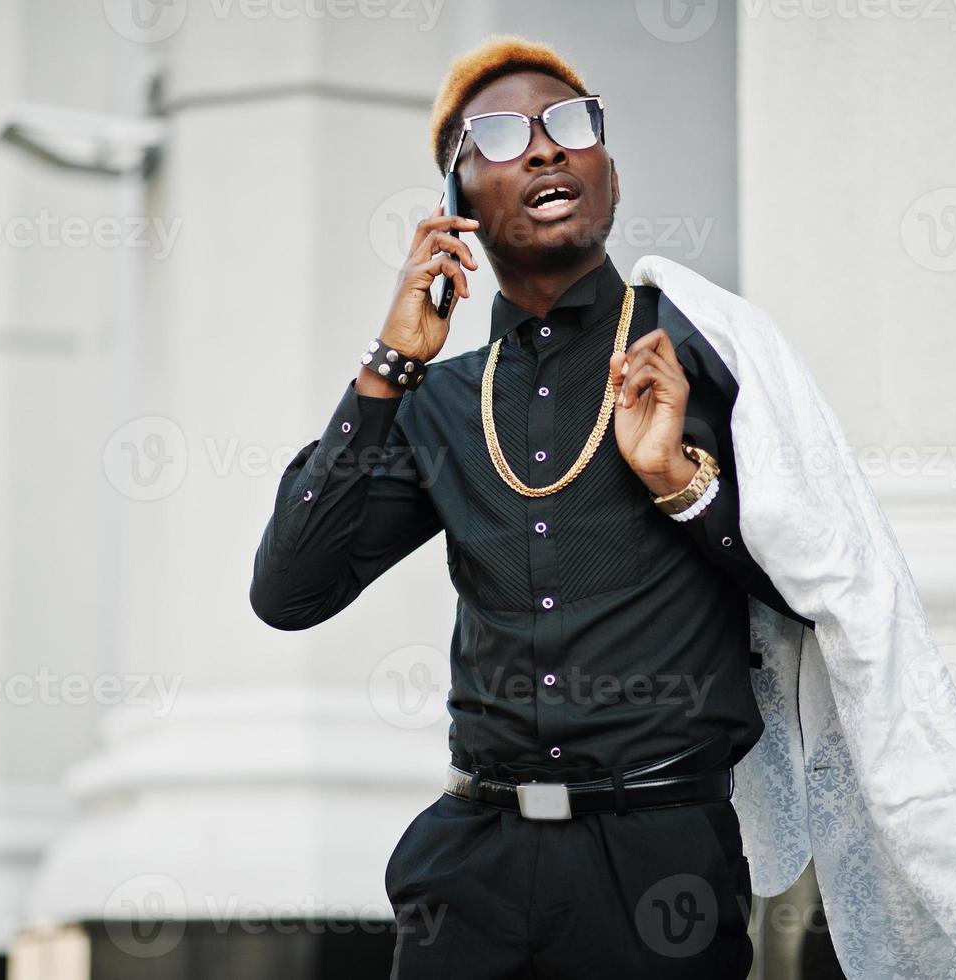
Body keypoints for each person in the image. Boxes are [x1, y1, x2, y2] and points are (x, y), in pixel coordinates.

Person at [249, 34, 805, 978]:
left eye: (569, 124)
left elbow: (816, 584)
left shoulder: (706, 354)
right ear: (456, 203)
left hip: (657, 864)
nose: (544, 148)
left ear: (608, 171)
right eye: (501, 135)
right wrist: (388, 367)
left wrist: (680, 483)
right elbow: (289, 591)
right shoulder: (437, 402)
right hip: (471, 867)